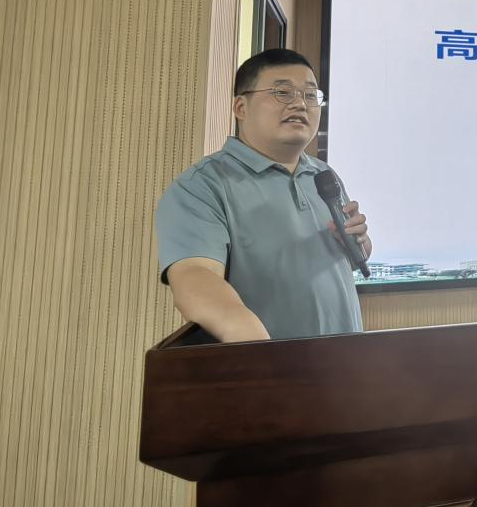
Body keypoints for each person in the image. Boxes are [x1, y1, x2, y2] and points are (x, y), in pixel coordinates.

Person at [155, 48, 369, 341]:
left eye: (310, 95)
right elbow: (195, 278)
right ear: (241, 107)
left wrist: (358, 243)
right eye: (282, 92)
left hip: (347, 357)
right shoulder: (202, 186)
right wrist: (262, 354)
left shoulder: (323, 175)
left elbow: (342, 262)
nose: (300, 104)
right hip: (270, 365)